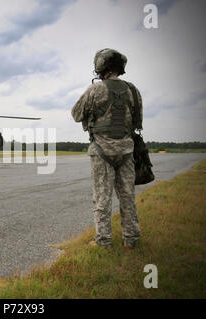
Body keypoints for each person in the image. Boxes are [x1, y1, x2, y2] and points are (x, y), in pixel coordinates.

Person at [71, 48, 143, 249]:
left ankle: (103, 242)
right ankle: (131, 240)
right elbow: (138, 120)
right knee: (127, 197)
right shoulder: (133, 91)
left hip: (102, 152)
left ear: (101, 67)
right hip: (127, 152)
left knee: (102, 199)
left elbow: (76, 114)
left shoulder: (95, 90)